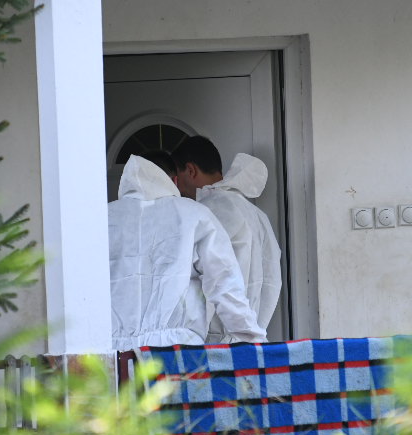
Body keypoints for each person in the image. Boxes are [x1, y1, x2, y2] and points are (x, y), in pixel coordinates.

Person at [108, 154, 264, 350]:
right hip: (178, 352)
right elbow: (224, 283)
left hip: (112, 355)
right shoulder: (193, 214)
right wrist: (251, 340)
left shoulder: (104, 219)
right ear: (174, 181)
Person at [169, 136, 283, 340]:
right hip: (251, 338)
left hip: (215, 342)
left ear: (190, 170)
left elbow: (210, 280)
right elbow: (272, 282)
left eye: (178, 178)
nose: (178, 189)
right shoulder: (257, 215)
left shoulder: (206, 212)